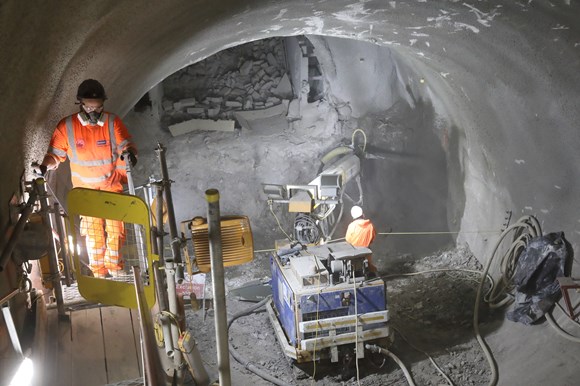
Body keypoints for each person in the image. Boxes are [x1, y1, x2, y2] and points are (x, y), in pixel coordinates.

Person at [34, 79, 138, 278]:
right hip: (86, 191)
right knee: (93, 234)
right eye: (89, 106)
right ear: (80, 103)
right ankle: (99, 272)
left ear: (103, 104)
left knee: (116, 229)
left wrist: (130, 154)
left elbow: (126, 145)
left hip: (111, 186)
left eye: (97, 106)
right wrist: (44, 166)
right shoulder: (67, 127)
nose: (93, 111)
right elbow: (56, 154)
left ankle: (115, 268)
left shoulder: (111, 122)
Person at [345, 205, 377, 272]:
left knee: (354, 268)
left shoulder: (352, 226)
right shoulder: (370, 225)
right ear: (363, 214)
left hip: (354, 254)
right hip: (366, 252)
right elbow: (372, 239)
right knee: (369, 267)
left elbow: (348, 240)